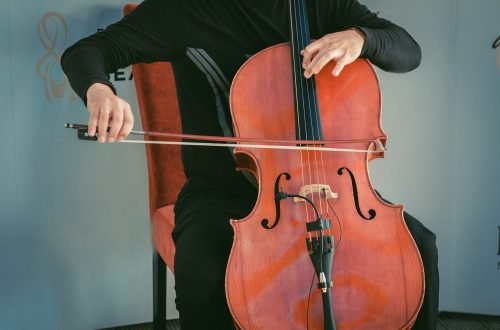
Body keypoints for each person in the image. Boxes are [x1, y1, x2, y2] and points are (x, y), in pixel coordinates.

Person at [61, 0, 439, 329]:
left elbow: (408, 50)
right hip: (221, 194)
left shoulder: (322, 5)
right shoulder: (184, 9)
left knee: (419, 246)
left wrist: (361, 38)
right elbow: (89, 50)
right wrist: (99, 90)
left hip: (333, 191)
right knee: (201, 271)